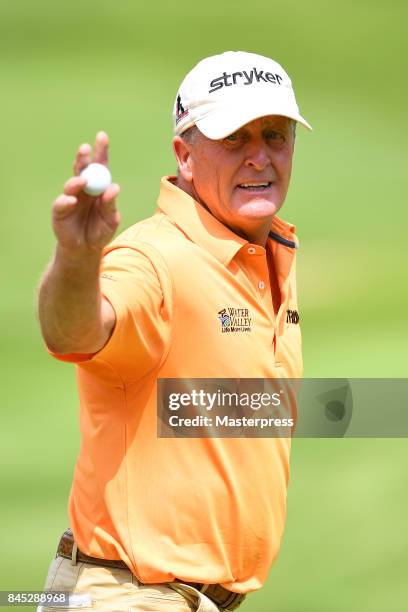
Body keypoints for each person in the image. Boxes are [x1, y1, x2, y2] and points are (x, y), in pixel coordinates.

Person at [37, 50, 311, 611]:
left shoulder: (264, 254)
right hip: (127, 595)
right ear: (185, 156)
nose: (260, 157)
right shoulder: (153, 258)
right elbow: (76, 333)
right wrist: (77, 258)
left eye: (275, 136)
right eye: (235, 138)